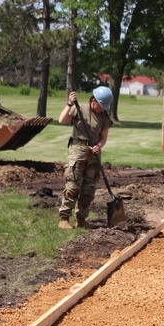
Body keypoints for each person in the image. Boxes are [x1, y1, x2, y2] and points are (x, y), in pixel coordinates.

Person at [57, 86, 114, 230]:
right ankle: (64, 219)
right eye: (101, 106)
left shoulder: (104, 117)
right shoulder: (80, 108)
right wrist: (69, 104)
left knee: (89, 188)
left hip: (93, 153)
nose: (102, 109)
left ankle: (81, 219)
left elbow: (103, 138)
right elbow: (62, 120)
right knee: (73, 185)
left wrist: (99, 146)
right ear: (93, 100)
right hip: (78, 150)